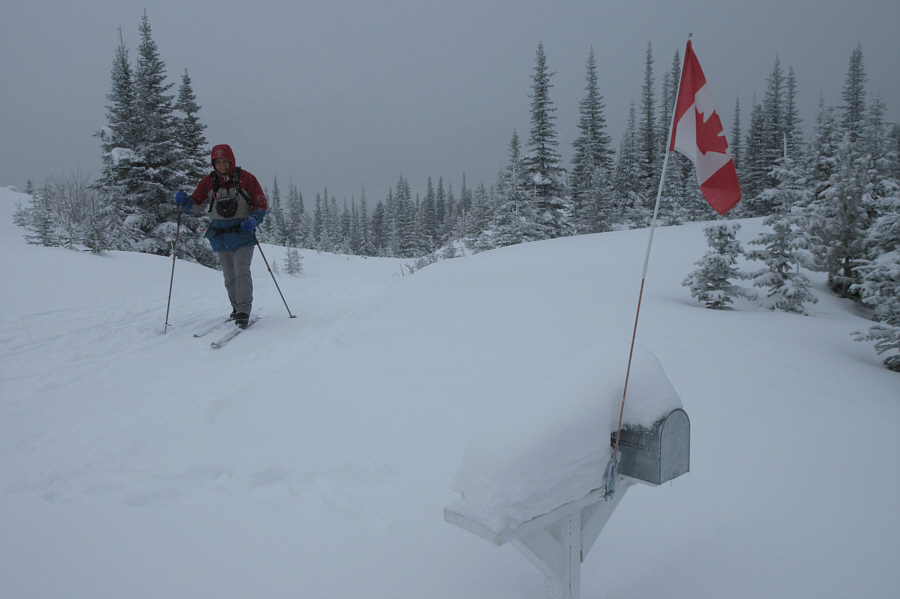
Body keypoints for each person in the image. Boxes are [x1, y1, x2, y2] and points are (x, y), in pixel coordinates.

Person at [174, 144, 268, 328]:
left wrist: (255, 219)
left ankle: (243, 310)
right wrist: (185, 202)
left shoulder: (247, 179)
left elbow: (260, 203)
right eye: (218, 162)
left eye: (225, 161)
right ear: (213, 163)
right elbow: (197, 205)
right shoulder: (208, 182)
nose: (222, 165)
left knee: (241, 272)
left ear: (232, 161)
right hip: (219, 236)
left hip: (243, 235)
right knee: (229, 276)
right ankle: (235, 307)